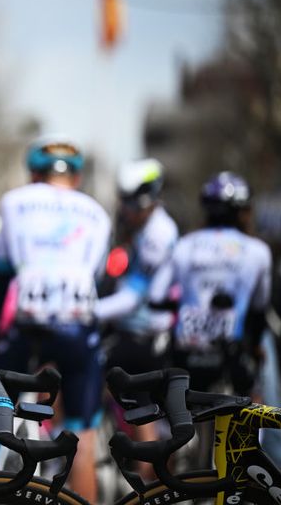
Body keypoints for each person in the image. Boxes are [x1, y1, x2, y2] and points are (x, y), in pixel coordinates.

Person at [0, 135, 111, 501]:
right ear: (76, 177)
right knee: (81, 434)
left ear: (33, 173)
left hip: (28, 326)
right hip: (77, 326)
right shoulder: (98, 213)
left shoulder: (14, 202)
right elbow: (98, 276)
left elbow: (2, 274)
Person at [149, 171, 271, 395]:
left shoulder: (183, 246)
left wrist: (179, 307)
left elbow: (156, 296)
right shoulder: (258, 251)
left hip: (187, 351)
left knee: (177, 414)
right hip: (231, 351)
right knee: (254, 404)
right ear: (241, 211)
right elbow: (259, 308)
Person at [93, 158, 178, 478]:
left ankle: (148, 479)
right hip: (139, 330)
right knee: (141, 409)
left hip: (144, 334)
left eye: (130, 205)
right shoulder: (150, 226)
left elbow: (132, 298)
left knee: (138, 408)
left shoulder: (157, 233)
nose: (125, 211)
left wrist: (88, 309)